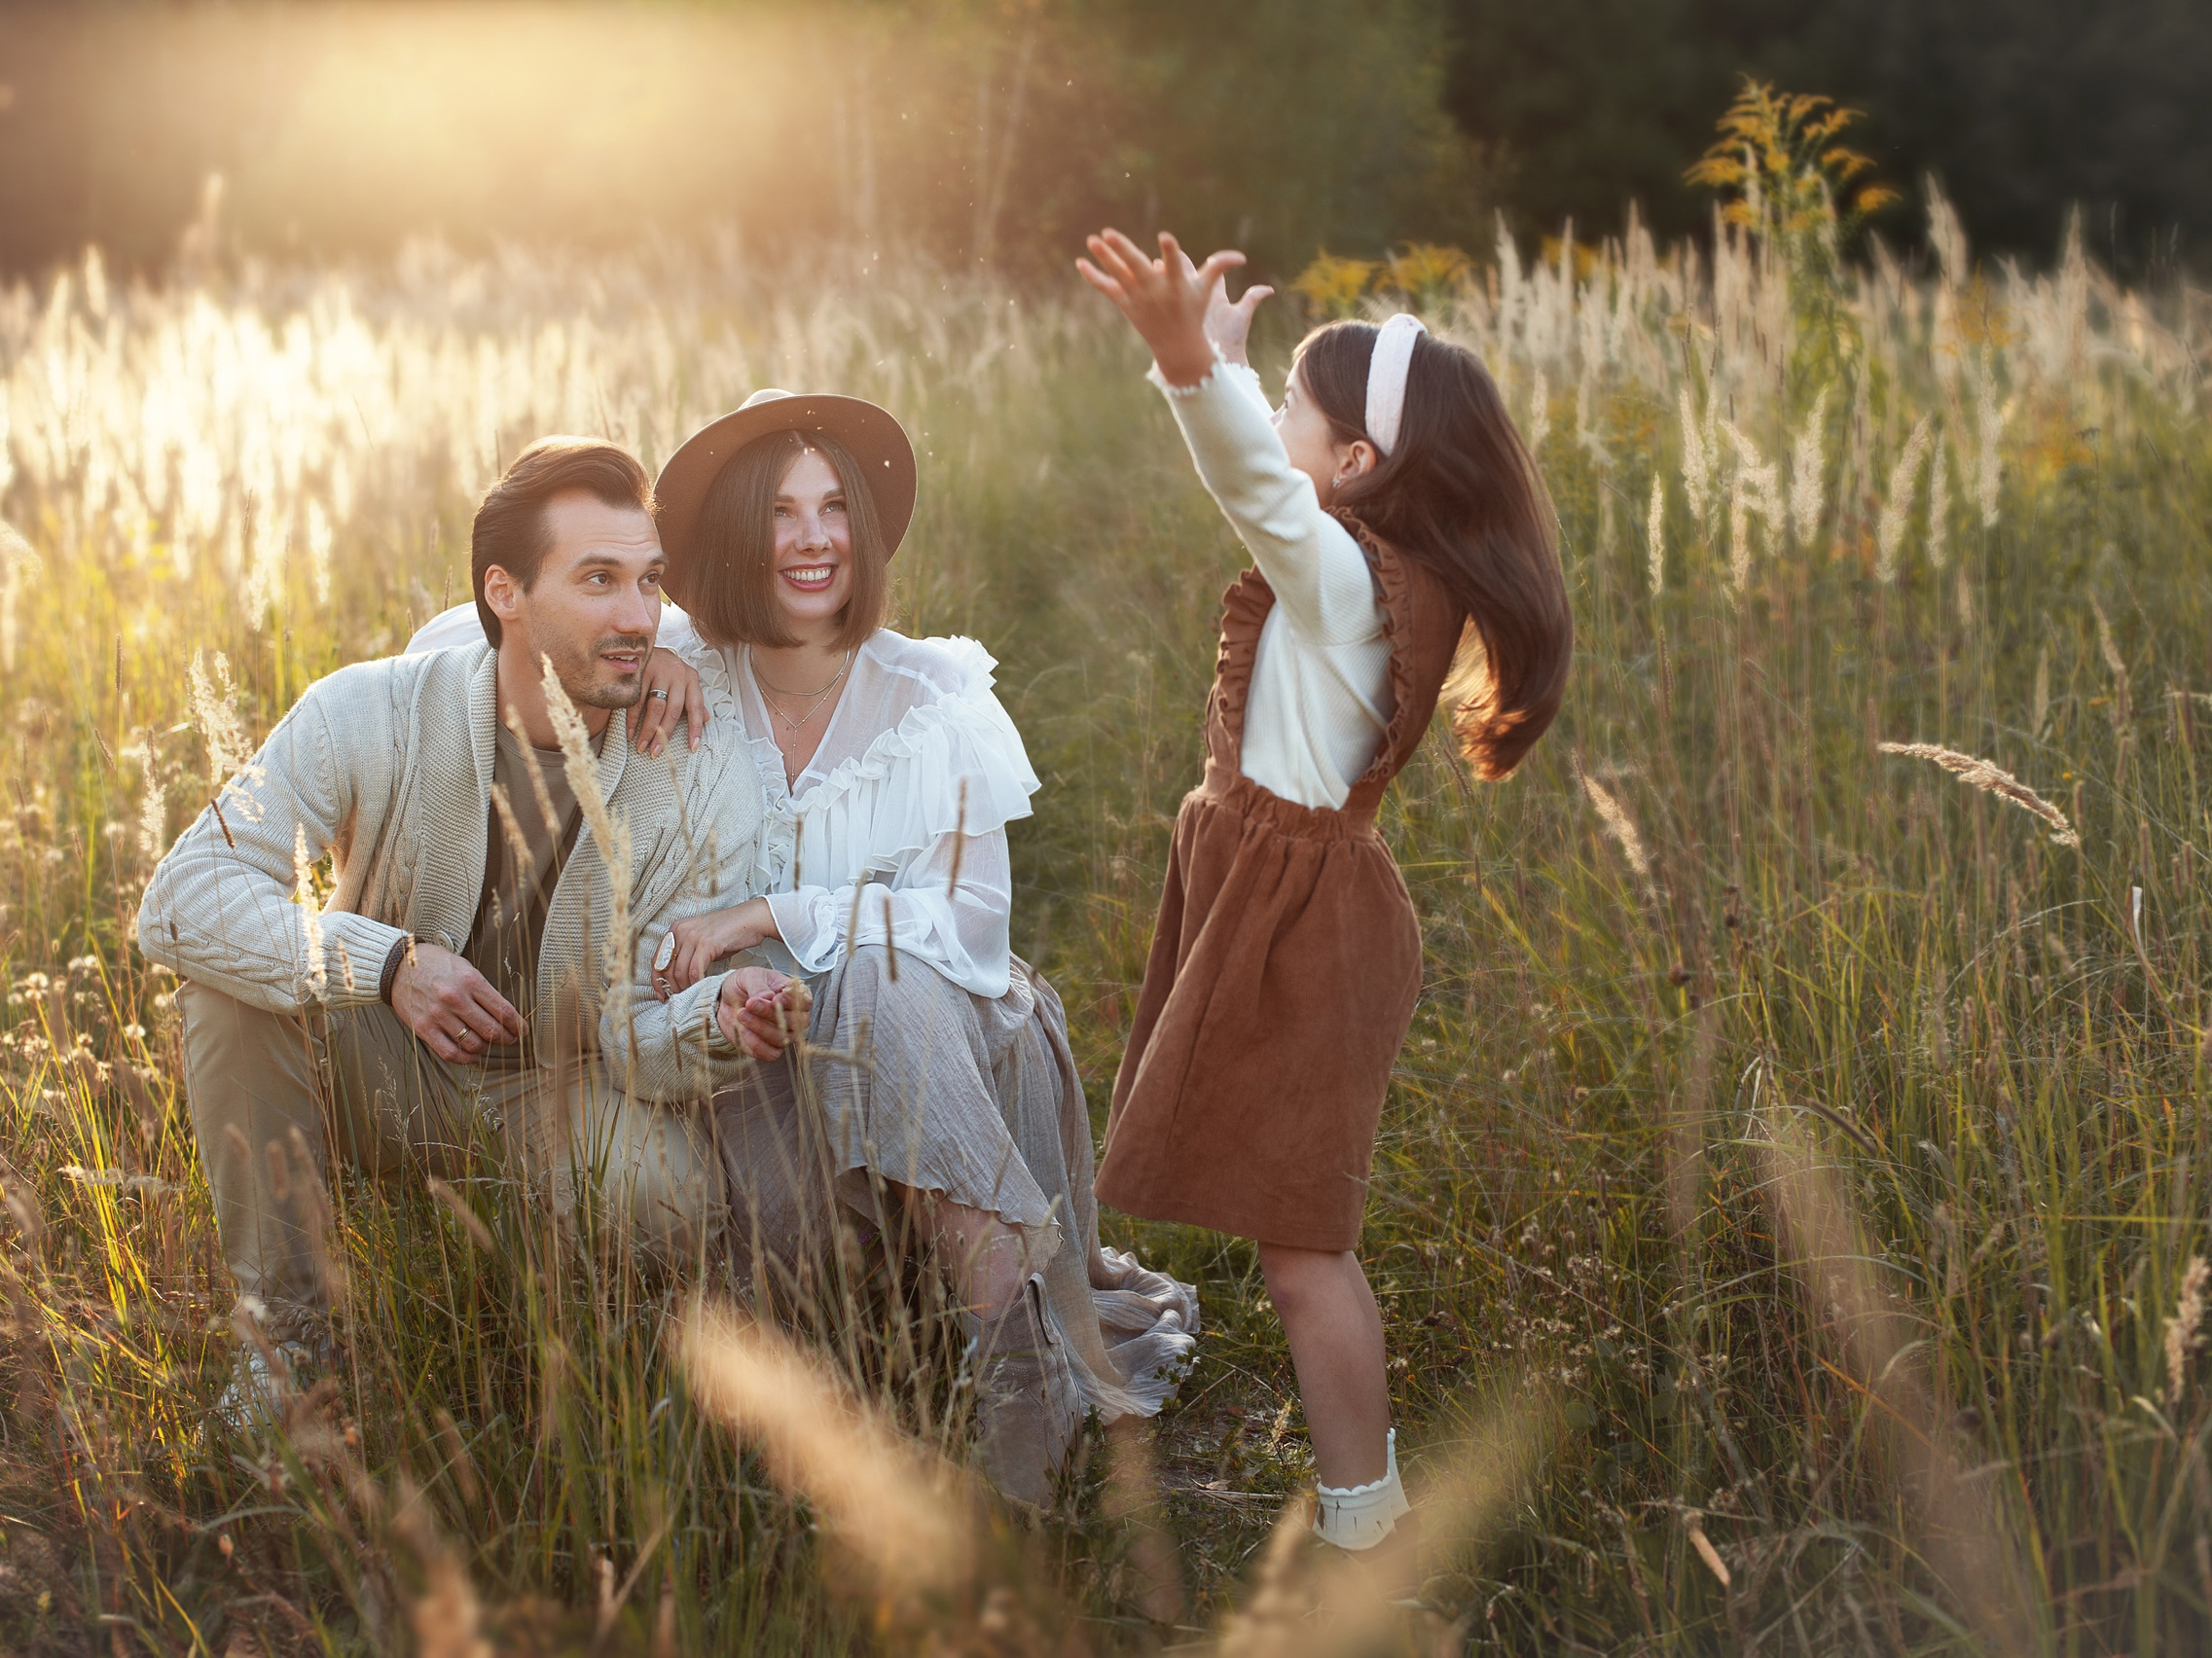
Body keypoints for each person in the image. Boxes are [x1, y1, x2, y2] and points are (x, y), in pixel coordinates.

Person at [408, 390, 1199, 1510]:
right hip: (771, 1066)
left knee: (877, 969)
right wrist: (672, 650)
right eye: (780, 512)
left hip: (953, 1041)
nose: (816, 537)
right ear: (734, 533)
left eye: (837, 508)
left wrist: (771, 917)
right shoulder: (682, 662)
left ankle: (1015, 1354)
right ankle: (845, 1366)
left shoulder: (939, 701)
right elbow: (453, 638)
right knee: (792, 1003)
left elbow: (972, 932)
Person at [1076, 231, 1573, 1555]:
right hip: (1282, 902)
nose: (1275, 421)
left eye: (1298, 406)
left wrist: (1188, 369)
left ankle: (1366, 1529)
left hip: (1298, 926)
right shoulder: (1373, 572)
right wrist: (1231, 374)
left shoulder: (1348, 579)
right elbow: (1272, 477)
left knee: (1305, 1248)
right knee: (1296, 1237)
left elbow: (1259, 494)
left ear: (1359, 465)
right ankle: (1360, 1504)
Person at [142, 437, 807, 1421]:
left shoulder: (693, 765)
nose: (636, 616)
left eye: (648, 583)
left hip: (560, 1091)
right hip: (380, 1055)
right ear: (505, 592)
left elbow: (640, 1033)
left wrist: (721, 1014)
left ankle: (556, 1352)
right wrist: (388, 962)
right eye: (597, 580)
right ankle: (287, 1343)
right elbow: (180, 898)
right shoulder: (364, 711)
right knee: (229, 998)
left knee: (670, 1208)